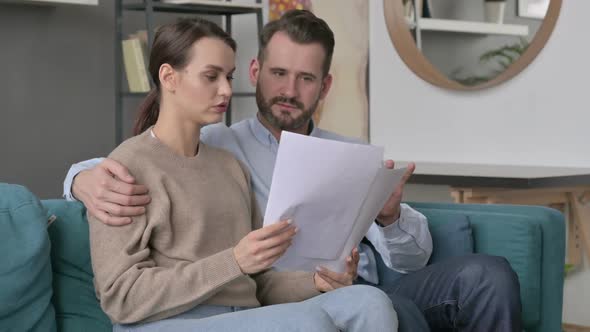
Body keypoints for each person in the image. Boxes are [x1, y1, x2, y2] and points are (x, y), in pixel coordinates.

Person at [66, 10, 522, 332]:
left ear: (324, 86)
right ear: (257, 71)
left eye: (305, 79)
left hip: (324, 288)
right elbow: (133, 167)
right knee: (342, 317)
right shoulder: (207, 147)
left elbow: (259, 283)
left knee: (388, 298)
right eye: (278, 74)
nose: (288, 89)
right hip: (205, 312)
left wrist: (387, 218)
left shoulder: (236, 164)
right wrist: (80, 179)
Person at [88, 17, 398, 332]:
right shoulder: (124, 171)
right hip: (169, 321)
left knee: (369, 303)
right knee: (305, 322)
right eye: (211, 76)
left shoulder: (229, 165)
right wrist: (233, 261)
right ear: (168, 77)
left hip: (242, 316)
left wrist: (316, 282)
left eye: (229, 76)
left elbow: (257, 283)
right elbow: (121, 298)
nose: (226, 90)